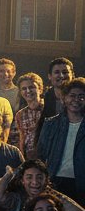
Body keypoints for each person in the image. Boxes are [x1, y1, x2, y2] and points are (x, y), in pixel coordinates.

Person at [0, 156, 85, 211]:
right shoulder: (17, 200)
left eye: (39, 177)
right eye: (29, 177)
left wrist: (56, 195)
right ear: (22, 181)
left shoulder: (54, 198)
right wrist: (8, 176)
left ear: (46, 180)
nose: (35, 182)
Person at [36, 75, 85, 203]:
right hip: (55, 180)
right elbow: (41, 155)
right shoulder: (51, 123)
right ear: (64, 98)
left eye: (81, 96)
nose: (77, 99)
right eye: (72, 95)